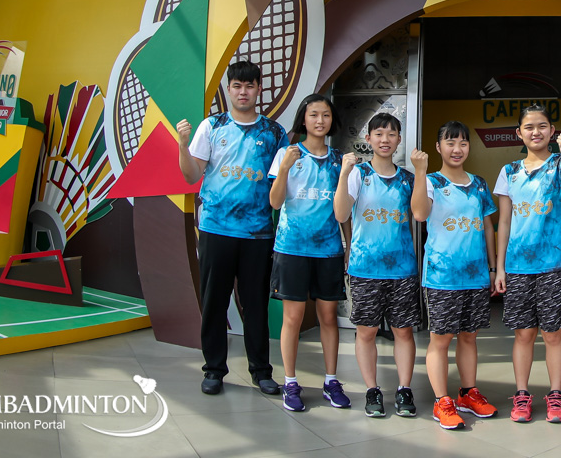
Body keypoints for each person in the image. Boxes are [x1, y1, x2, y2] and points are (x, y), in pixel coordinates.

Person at [176, 60, 287, 397]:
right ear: (228, 90)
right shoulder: (212, 126)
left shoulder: (274, 133)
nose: (243, 92)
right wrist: (182, 145)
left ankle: (261, 371)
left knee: (256, 305)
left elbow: (280, 186)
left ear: (258, 89)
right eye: (237, 86)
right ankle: (213, 370)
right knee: (214, 303)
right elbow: (191, 176)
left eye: (249, 86)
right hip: (215, 229)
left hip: (258, 233)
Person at [493, 104, 561, 424]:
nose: (536, 132)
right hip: (518, 266)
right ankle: (521, 394)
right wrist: (500, 268)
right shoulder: (509, 171)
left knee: (553, 334)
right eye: (529, 127)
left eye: (542, 126)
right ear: (519, 133)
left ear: (552, 131)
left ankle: (556, 394)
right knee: (523, 334)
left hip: (555, 264)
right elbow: (504, 222)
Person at [409, 121, 500, 430]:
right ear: (438, 147)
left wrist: (492, 268)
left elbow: (487, 226)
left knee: (470, 336)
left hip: (475, 276)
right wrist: (420, 172)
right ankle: (441, 401)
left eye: (462, 143)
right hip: (442, 276)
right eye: (450, 143)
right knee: (441, 339)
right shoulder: (431, 181)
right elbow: (419, 214)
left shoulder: (479, 184)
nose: (457, 149)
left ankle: (467, 393)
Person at [267, 93, 353, 412]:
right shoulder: (287, 154)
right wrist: (285, 169)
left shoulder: (339, 159)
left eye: (326, 115)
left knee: (328, 317)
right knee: (293, 317)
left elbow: (344, 212)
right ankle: (290, 382)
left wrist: (348, 246)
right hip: (291, 248)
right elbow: (275, 202)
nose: (320, 120)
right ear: (303, 118)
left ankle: (331, 381)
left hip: (329, 250)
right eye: (314, 114)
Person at [333, 112, 419, 418]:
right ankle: (372, 390)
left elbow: (420, 215)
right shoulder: (359, 174)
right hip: (365, 268)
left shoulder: (408, 179)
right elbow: (341, 214)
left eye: (391, 134)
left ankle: (404, 389)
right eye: (379, 134)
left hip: (402, 269)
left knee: (403, 331)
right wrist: (343, 174)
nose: (385, 140)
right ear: (368, 139)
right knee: (366, 332)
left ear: (399, 140)